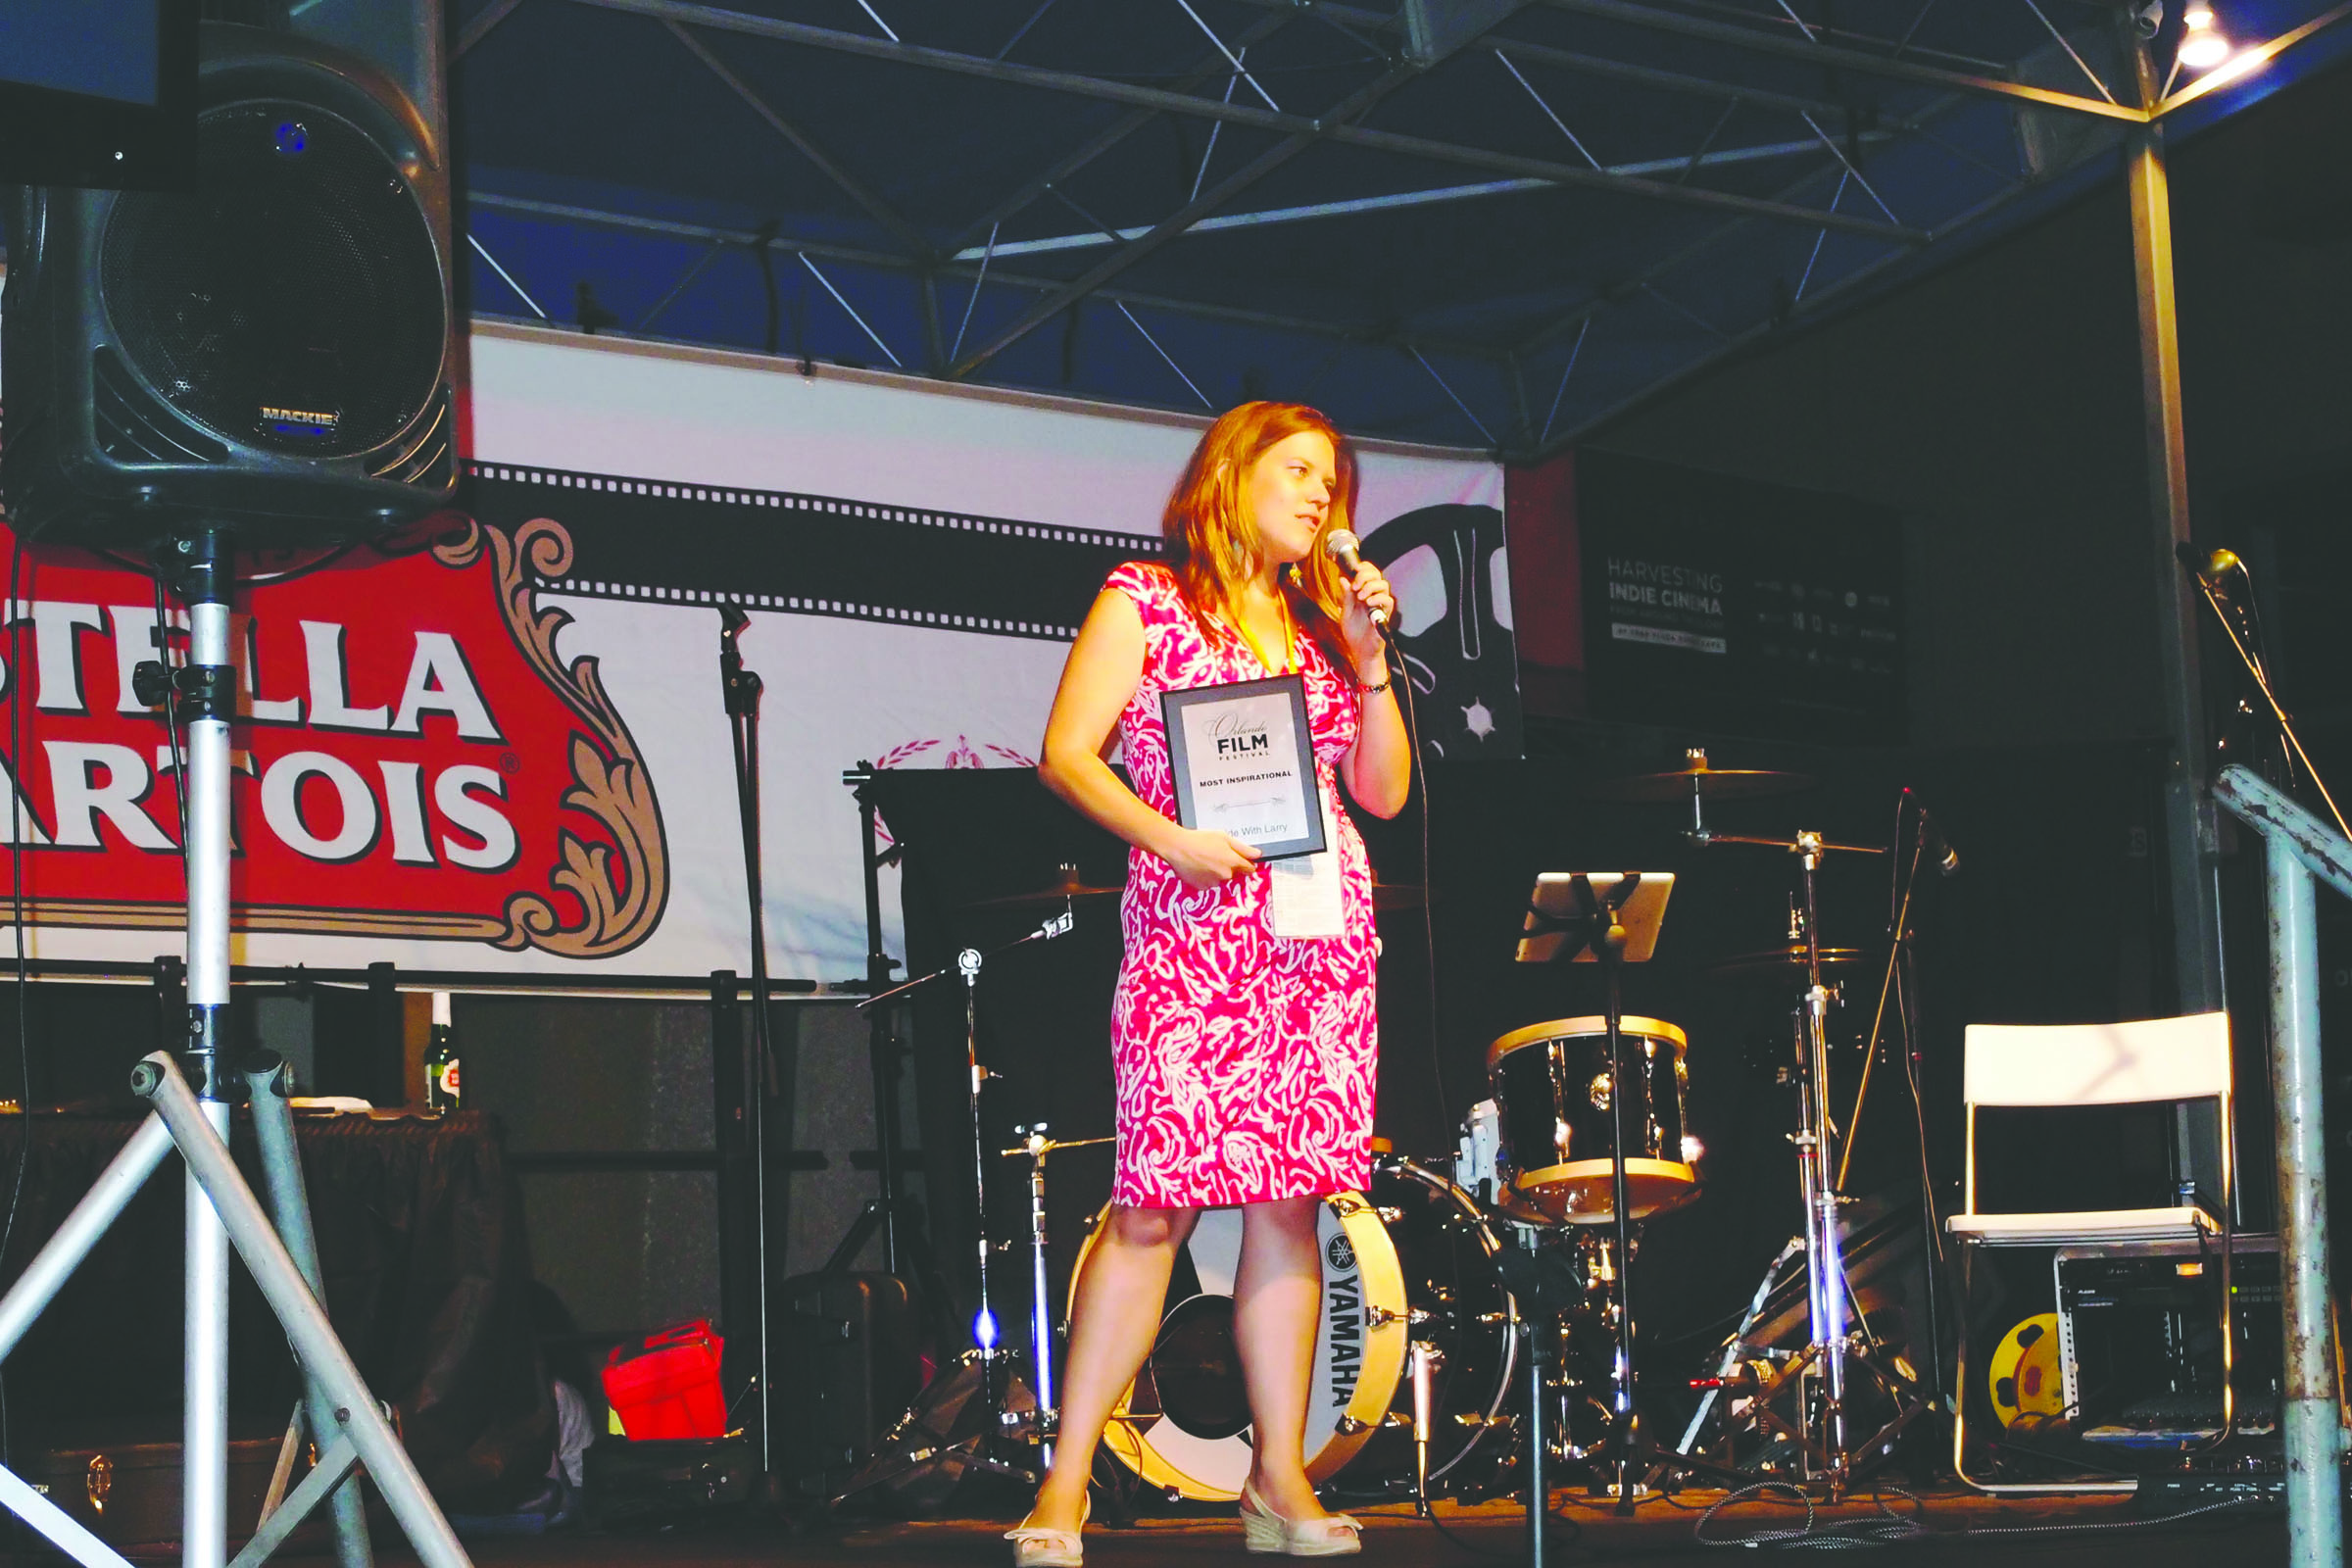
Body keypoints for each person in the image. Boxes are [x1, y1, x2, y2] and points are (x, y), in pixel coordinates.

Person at [1011, 403, 1409, 1565]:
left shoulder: (1316, 626)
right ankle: (1066, 1480)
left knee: (1291, 1206)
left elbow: (1379, 793)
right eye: (1297, 473)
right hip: (1195, 938)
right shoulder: (1143, 598)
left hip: (1318, 945)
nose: (1319, 498)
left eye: (1331, 484)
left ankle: (1276, 1478)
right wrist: (1170, 839)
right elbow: (1066, 754)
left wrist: (1373, 664)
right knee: (1152, 1208)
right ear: (1230, 475)